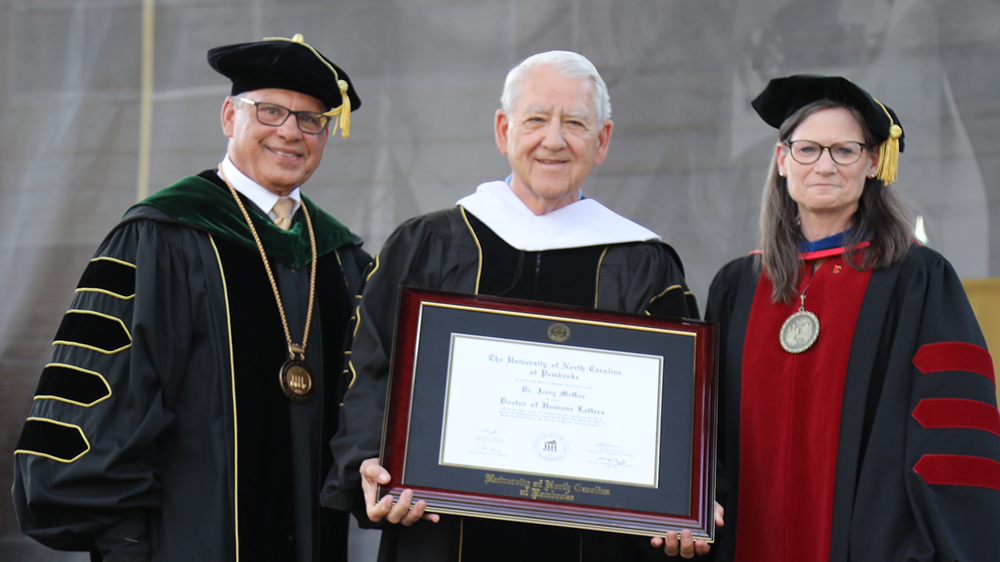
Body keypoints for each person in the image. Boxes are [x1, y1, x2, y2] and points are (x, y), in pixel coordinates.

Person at [322, 50, 720, 562]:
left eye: (575, 123)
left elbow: (686, 403)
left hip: (595, 544)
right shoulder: (428, 244)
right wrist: (369, 460)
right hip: (442, 534)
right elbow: (370, 368)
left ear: (602, 142)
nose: (553, 140)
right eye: (536, 119)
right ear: (503, 129)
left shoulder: (643, 263)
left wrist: (686, 500)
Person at [12, 34, 370, 562]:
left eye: (311, 119)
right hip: (181, 541)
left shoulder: (341, 260)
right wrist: (125, 541)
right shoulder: (161, 238)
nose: (291, 132)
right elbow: (105, 399)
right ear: (230, 116)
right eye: (270, 111)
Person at [705, 75, 1000, 562]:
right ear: (782, 161)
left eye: (844, 150)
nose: (825, 165)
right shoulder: (738, 286)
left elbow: (951, 435)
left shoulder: (916, 279)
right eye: (808, 150)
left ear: (871, 163)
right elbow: (705, 427)